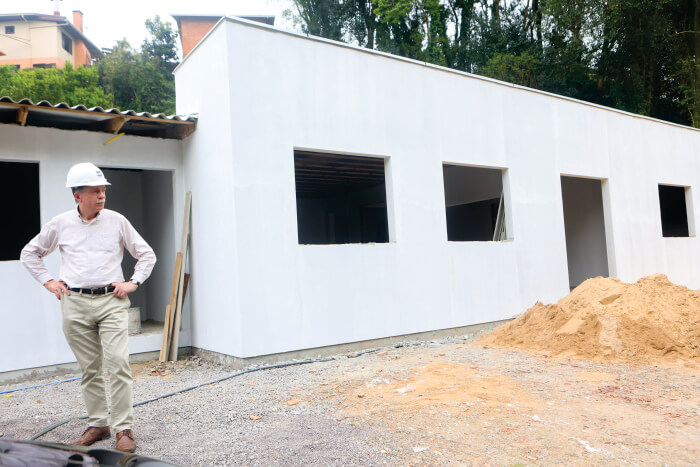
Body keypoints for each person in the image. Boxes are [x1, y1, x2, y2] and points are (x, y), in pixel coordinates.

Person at [20, 162, 156, 453]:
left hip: (112, 301)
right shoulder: (60, 224)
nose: (101, 195)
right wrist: (48, 282)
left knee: (118, 363)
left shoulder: (117, 221)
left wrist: (133, 281)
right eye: (95, 191)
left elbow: (146, 255)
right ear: (77, 196)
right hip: (75, 304)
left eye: (103, 190)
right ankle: (98, 424)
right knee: (89, 368)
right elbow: (30, 253)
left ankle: (123, 428)